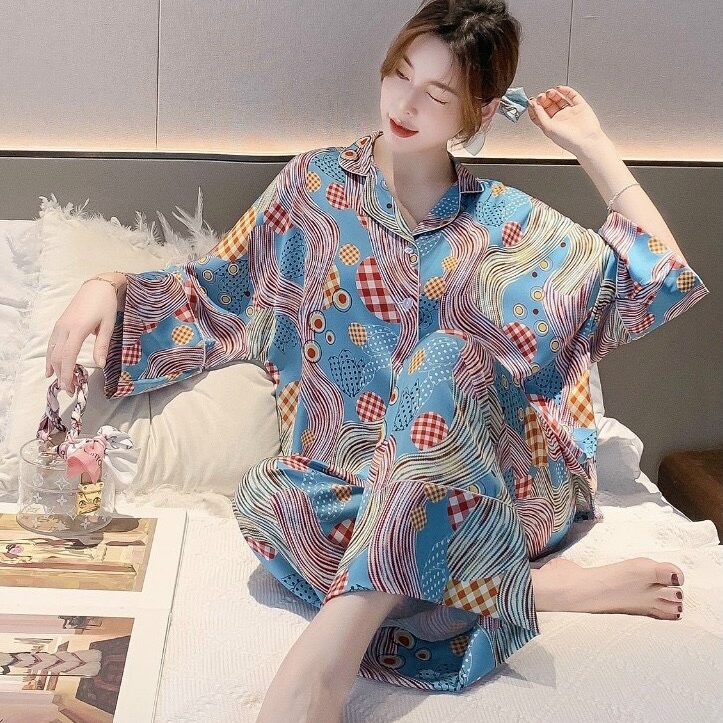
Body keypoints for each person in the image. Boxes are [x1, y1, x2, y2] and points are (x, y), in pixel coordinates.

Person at [45, 1, 710, 720]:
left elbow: (655, 278)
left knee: (444, 357)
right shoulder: (312, 190)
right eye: (400, 74)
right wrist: (108, 286)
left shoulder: (507, 226)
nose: (405, 103)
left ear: (480, 113)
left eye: (438, 94)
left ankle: (317, 677)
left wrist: (592, 145)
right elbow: (221, 291)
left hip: (494, 490)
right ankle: (527, 586)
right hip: (352, 489)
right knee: (267, 495)